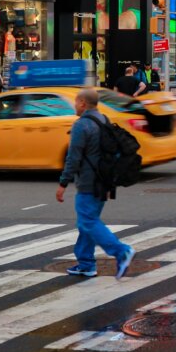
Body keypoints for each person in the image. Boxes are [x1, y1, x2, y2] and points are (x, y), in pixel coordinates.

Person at [55, 89, 135, 279]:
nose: (74, 105)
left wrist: (63, 183)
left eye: (76, 102)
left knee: (88, 221)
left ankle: (121, 251)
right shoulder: (104, 120)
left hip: (88, 182)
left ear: (83, 103)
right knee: (87, 222)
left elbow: (73, 158)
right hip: (103, 180)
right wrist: (109, 184)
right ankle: (86, 264)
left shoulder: (81, 126)